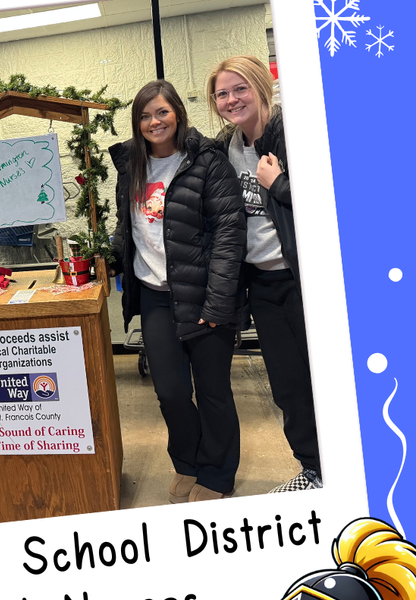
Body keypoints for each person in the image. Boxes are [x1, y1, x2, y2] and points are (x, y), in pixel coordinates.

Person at [110, 80, 246, 503]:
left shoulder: (208, 162)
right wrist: (111, 256)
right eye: (146, 116)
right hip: (154, 294)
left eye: (162, 112)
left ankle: (218, 473)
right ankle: (187, 462)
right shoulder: (131, 166)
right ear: (137, 123)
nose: (154, 122)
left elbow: (229, 233)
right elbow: (128, 226)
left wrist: (219, 300)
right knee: (170, 391)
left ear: (177, 115)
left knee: (212, 390)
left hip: (205, 293)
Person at [206, 55, 321, 492]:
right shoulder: (225, 147)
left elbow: (338, 195)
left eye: (240, 89)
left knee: (325, 378)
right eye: (222, 93)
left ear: (260, 87)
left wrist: (280, 185)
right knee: (288, 386)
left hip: (301, 280)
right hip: (260, 284)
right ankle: (314, 470)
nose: (232, 99)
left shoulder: (290, 135)